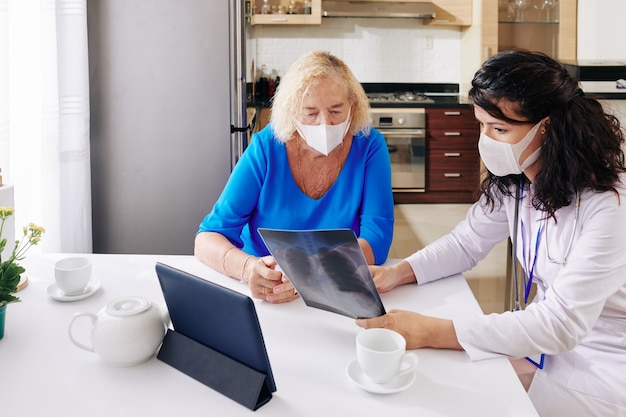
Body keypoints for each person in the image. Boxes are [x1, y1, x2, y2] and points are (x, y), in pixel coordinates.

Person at [357, 50, 626, 417]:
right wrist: (396, 273)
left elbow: (562, 323)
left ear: (546, 127)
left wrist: (430, 331)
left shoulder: (609, 206)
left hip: (607, 364)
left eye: (499, 130)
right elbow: (466, 242)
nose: (486, 142)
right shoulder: (519, 182)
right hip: (545, 345)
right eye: (481, 125)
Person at [195, 50, 394, 304]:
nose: (324, 124)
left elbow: (378, 237)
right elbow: (207, 238)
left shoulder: (369, 145)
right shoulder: (266, 147)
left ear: (352, 107)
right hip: (267, 294)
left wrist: (310, 272)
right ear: (291, 111)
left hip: (336, 289)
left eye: (336, 111)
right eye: (310, 113)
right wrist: (247, 269)